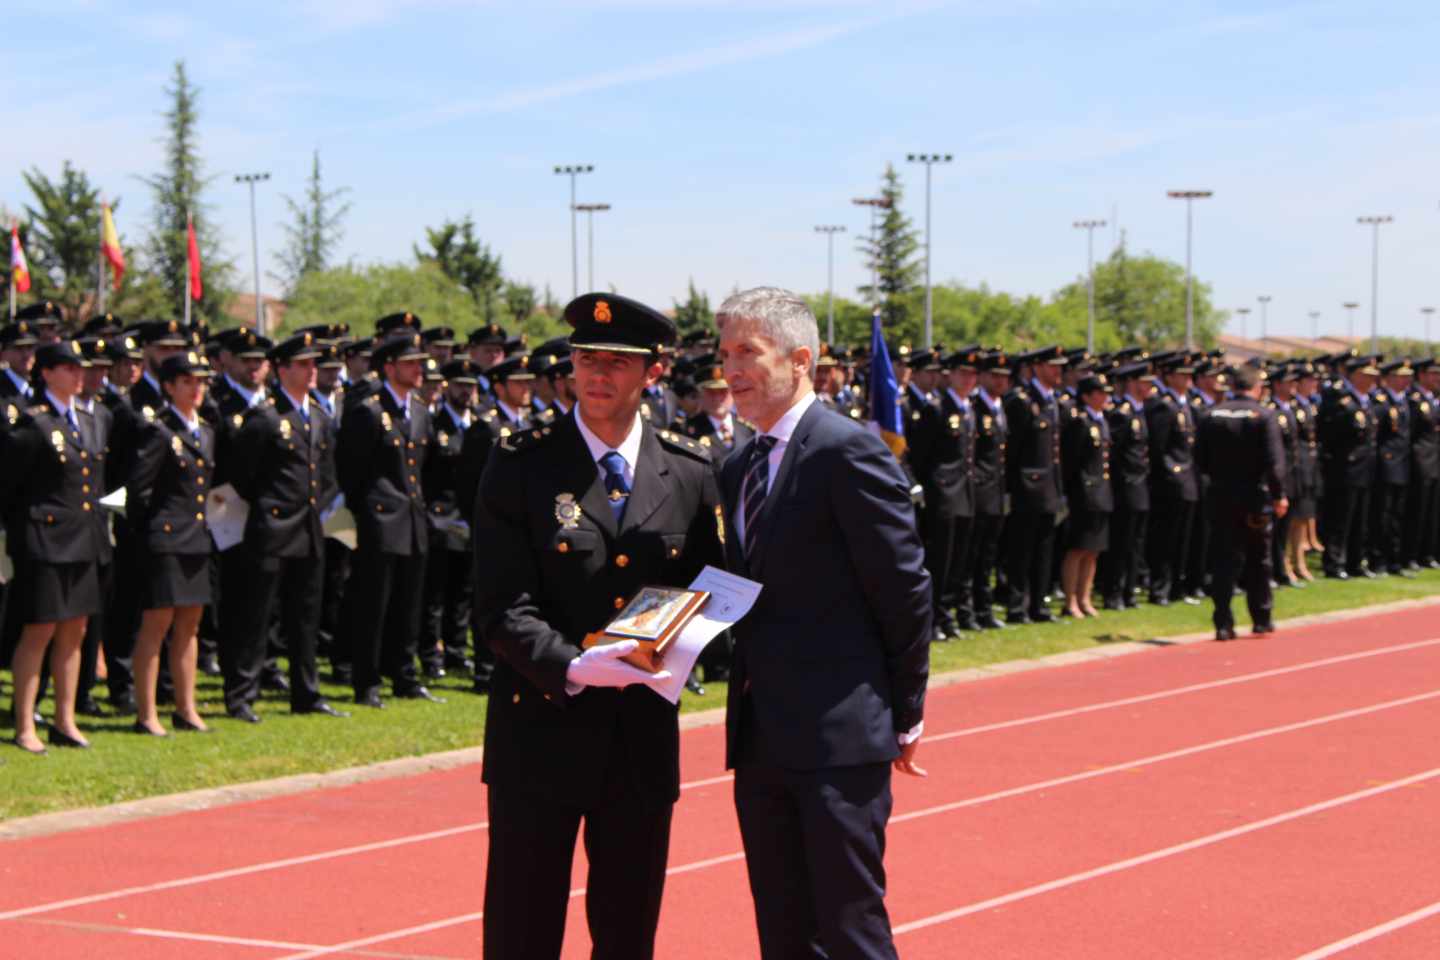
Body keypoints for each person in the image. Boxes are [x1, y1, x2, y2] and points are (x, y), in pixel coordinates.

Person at [473, 292, 721, 960]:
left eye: (618, 361)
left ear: (653, 373)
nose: (597, 373)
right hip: (539, 731)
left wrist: (689, 641)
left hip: (639, 737)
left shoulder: (692, 471)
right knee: (522, 931)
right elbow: (498, 605)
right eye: (586, 358)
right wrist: (571, 667)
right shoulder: (522, 464)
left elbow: (710, 588)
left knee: (627, 931)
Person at [715, 287, 932, 960]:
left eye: (748, 352)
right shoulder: (737, 465)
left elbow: (904, 590)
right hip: (760, 737)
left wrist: (906, 712)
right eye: (724, 354)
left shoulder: (848, 451)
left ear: (800, 358)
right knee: (782, 929)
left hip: (841, 738)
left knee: (849, 927)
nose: (731, 370)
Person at [220, 332, 349, 722]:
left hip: (309, 528)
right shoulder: (265, 417)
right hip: (272, 528)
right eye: (304, 364)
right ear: (282, 369)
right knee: (257, 615)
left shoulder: (319, 416)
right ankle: (241, 694)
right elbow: (241, 477)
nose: (313, 371)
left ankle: (305, 692)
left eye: (315, 364)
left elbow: (327, 474)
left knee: (304, 616)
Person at [2, 341, 112, 753]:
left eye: (79, 368)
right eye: (68, 367)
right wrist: (20, 535)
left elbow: (98, 483)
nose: (78, 374)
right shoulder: (32, 424)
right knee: (39, 630)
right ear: (46, 373)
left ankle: (65, 720)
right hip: (44, 540)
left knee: (76, 630)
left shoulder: (90, 419)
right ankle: (25, 721)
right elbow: (11, 487)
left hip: (83, 538)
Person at [337, 329, 440, 708]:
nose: (418, 370)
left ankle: (405, 676)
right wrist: (367, 512)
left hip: (412, 518)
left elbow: (420, 469)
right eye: (411, 363)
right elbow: (351, 470)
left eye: (420, 363)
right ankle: (367, 682)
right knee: (373, 605)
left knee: (409, 604)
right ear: (389, 366)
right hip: (379, 519)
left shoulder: (418, 409)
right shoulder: (369, 410)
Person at [126, 351, 217, 735]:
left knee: (190, 623)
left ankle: (186, 708)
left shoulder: (206, 430)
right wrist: (152, 532)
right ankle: (147, 713)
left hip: (195, 537)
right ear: (168, 386)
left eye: (200, 381)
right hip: (165, 539)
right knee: (157, 624)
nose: (196, 389)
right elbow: (138, 490)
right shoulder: (159, 431)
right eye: (187, 382)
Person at [1197, 365, 1287, 640]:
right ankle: (1261, 617)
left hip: (1221, 495)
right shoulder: (1263, 415)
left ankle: (1223, 622)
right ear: (1257, 388)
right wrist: (1279, 494)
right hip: (1254, 496)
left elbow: (1199, 459)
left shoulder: (1210, 415)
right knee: (1259, 558)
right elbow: (1274, 462)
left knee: (1224, 559)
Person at [1002, 345, 1067, 624]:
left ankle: (1039, 605)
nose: (1058, 371)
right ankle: (1017, 606)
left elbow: (1055, 453)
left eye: (1060, 366)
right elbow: (1013, 450)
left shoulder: (1053, 400)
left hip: (1049, 488)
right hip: (1027, 488)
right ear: (1037, 367)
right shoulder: (1021, 400)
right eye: (1053, 366)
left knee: (1044, 550)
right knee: (1022, 550)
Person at [1145, 354, 1201, 604]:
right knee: (1165, 539)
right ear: (1169, 376)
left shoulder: (1186, 403)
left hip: (1189, 479)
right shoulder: (1163, 404)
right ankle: (1161, 588)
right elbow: (1159, 447)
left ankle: (1178, 587)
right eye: (1182, 374)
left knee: (1184, 538)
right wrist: (1172, 472)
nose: (1188, 378)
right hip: (1171, 482)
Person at [1319, 356, 1380, 579]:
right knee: (1341, 519)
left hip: (1366, 468)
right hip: (1346, 467)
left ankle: (1356, 562)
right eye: (1367, 375)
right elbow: (1331, 437)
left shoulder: (1367, 402)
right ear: (1354, 376)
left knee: (1360, 519)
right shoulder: (1343, 403)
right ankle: (1335, 563)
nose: (1371, 380)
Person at [1099, 361, 1153, 609]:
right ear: (1132, 383)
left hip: (1141, 486)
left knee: (1136, 543)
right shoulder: (1121, 413)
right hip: (1127, 487)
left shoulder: (1139, 412)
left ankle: (1129, 591)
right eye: (1144, 381)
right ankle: (1113, 592)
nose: (1149, 386)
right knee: (1121, 543)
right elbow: (1116, 454)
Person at [1060, 374, 1114, 617]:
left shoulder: (1101, 421)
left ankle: (1085, 597)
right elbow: (1072, 462)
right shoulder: (1079, 423)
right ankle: (1070, 599)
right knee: (1077, 549)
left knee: (1094, 550)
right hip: (1084, 493)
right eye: (1099, 393)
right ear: (1086, 397)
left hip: (1102, 492)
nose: (1105, 398)